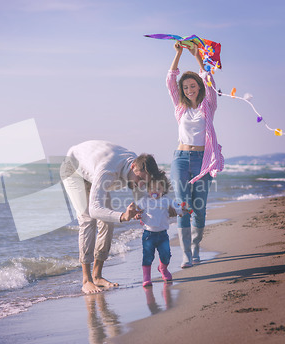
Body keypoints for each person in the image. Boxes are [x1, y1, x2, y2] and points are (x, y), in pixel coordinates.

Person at [61, 140, 162, 294]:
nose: (140, 184)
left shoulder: (139, 166)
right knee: (88, 219)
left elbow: (141, 198)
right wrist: (123, 216)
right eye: (139, 180)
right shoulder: (108, 171)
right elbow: (95, 210)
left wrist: (143, 210)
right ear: (133, 166)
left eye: (144, 182)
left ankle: (97, 276)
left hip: (93, 169)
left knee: (108, 222)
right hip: (73, 169)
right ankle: (86, 280)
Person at [166, 42, 224, 268]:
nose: (189, 90)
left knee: (198, 209)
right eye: (186, 87)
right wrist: (178, 55)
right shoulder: (180, 108)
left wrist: (198, 57)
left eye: (193, 86)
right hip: (180, 159)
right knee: (183, 205)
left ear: (198, 87)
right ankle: (186, 255)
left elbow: (209, 81)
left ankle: (196, 246)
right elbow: (170, 81)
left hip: (203, 162)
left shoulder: (208, 106)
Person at [136, 172, 186, 287]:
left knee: (166, 255)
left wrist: (182, 210)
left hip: (163, 234)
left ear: (164, 189)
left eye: (158, 188)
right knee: (147, 256)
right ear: (147, 189)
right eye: (152, 188)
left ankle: (163, 269)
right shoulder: (144, 200)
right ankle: (146, 277)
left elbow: (177, 208)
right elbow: (137, 209)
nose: (155, 191)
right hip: (148, 234)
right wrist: (137, 215)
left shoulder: (166, 200)